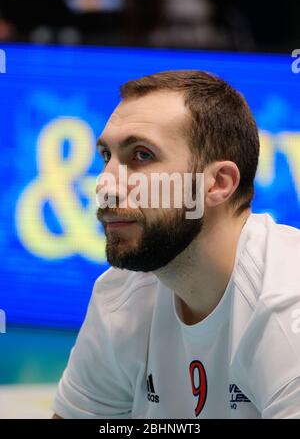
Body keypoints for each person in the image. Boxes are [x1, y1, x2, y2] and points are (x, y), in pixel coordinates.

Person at [53, 70, 300, 419]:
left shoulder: (287, 310)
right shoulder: (119, 298)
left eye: (141, 155)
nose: (105, 185)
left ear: (217, 183)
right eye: (106, 156)